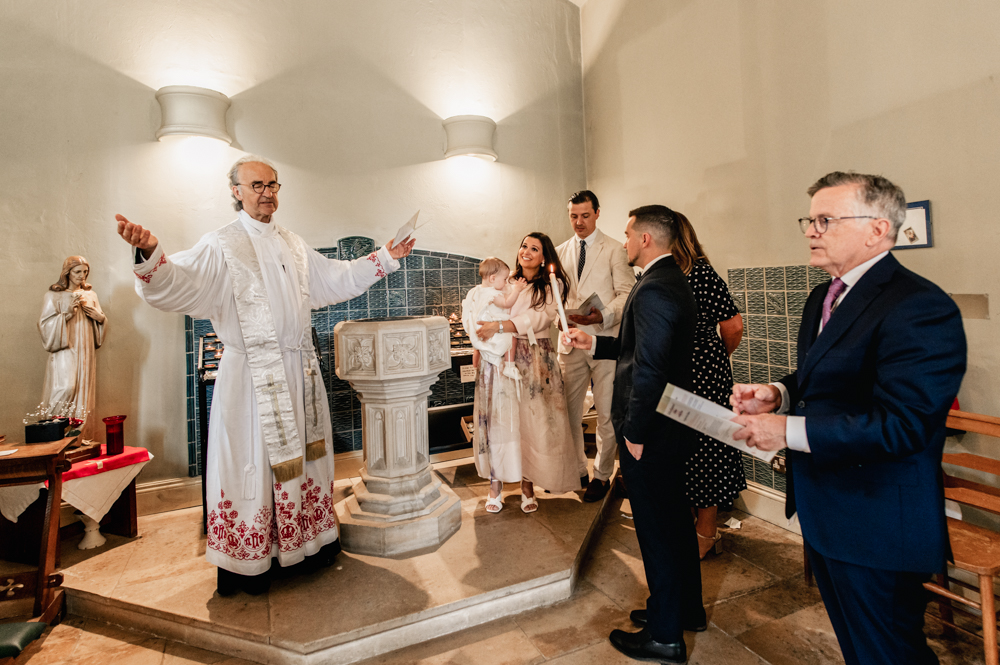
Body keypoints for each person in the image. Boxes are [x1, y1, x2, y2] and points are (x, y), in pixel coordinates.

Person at [115, 155, 415, 596]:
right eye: (256, 185)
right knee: (251, 465)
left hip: (298, 371)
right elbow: (176, 283)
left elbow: (336, 278)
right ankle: (251, 562)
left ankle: (308, 545)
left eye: (272, 184)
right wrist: (148, 253)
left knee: (306, 462)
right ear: (235, 191)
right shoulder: (221, 245)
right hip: (251, 379)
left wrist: (387, 257)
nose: (267, 192)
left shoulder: (293, 244)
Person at [731, 172, 967, 665]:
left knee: (890, 652)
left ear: (877, 230)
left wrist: (787, 431)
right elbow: (824, 373)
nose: (811, 231)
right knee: (861, 650)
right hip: (828, 509)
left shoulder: (918, 306)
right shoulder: (825, 295)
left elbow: (904, 425)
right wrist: (777, 392)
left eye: (825, 220)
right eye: (809, 219)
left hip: (878, 519)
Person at [564, 205, 704, 664]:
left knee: (657, 529)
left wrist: (637, 432)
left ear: (646, 239)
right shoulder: (664, 281)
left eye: (628, 234)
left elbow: (650, 369)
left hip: (654, 429)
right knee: (675, 521)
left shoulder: (657, 287)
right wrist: (595, 343)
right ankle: (685, 608)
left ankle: (665, 635)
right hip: (669, 425)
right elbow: (638, 348)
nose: (624, 241)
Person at [474, 233, 579, 513]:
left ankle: (527, 484)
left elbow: (539, 318)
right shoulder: (505, 281)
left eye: (535, 248)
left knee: (532, 423)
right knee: (501, 421)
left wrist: (499, 327)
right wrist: (479, 343)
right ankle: (496, 484)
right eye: (524, 246)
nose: (527, 252)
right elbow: (484, 309)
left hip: (534, 357)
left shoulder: (551, 285)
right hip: (499, 355)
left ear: (544, 256)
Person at [670, 212, 745, 559]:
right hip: (675, 375)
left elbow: (733, 327)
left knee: (707, 452)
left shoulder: (701, 273)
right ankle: (687, 525)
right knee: (682, 453)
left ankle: (707, 532)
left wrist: (711, 359)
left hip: (706, 376)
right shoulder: (666, 275)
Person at [556, 190, 634, 502]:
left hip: (604, 342)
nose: (579, 222)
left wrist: (602, 314)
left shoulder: (615, 249)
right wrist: (559, 319)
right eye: (574, 216)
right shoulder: (560, 251)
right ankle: (578, 470)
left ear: (597, 213)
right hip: (571, 342)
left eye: (585, 215)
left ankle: (602, 475)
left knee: (605, 412)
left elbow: (627, 292)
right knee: (570, 413)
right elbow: (554, 298)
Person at [461, 257, 528, 512]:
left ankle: (523, 479)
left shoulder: (482, 291)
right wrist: (516, 289)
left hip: (509, 352)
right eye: (502, 278)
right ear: (492, 279)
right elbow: (498, 308)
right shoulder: (492, 293)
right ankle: (494, 481)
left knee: (514, 421)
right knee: (492, 419)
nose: (504, 282)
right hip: (493, 358)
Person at [38, 256, 107, 442]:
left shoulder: (91, 295)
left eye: (85, 272)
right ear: (67, 273)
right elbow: (44, 325)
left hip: (85, 349)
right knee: (66, 386)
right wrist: (66, 315)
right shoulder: (53, 296)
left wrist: (100, 319)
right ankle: (55, 436)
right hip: (65, 347)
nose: (82, 276)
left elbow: (100, 323)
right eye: (78, 272)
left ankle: (79, 437)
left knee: (84, 388)